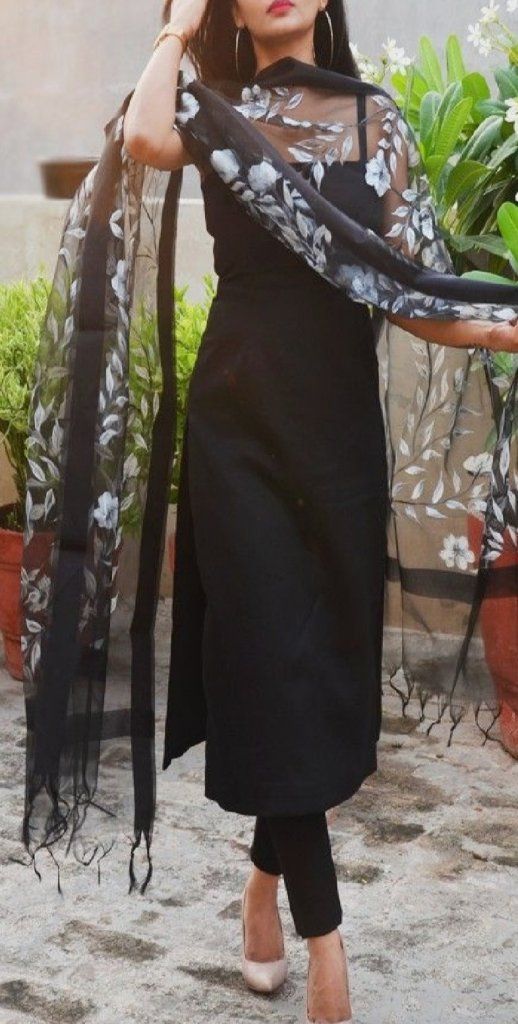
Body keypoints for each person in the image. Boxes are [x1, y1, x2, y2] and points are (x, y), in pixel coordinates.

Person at [119, 1, 518, 1023]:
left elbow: (414, 288)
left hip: (335, 436)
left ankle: (262, 881)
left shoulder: (371, 121)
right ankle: (326, 944)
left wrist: (504, 327)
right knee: (265, 660)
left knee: (312, 674)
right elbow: (142, 135)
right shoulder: (213, 111)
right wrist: (173, 26)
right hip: (236, 429)